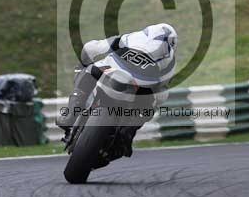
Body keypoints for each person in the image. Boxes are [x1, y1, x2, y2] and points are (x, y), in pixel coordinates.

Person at [57, 23, 178, 157]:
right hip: (123, 77)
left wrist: (84, 61)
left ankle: (125, 133)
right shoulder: (169, 59)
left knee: (87, 71)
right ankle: (126, 134)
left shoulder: (131, 38)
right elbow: (163, 88)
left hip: (123, 78)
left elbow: (94, 47)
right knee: (88, 72)